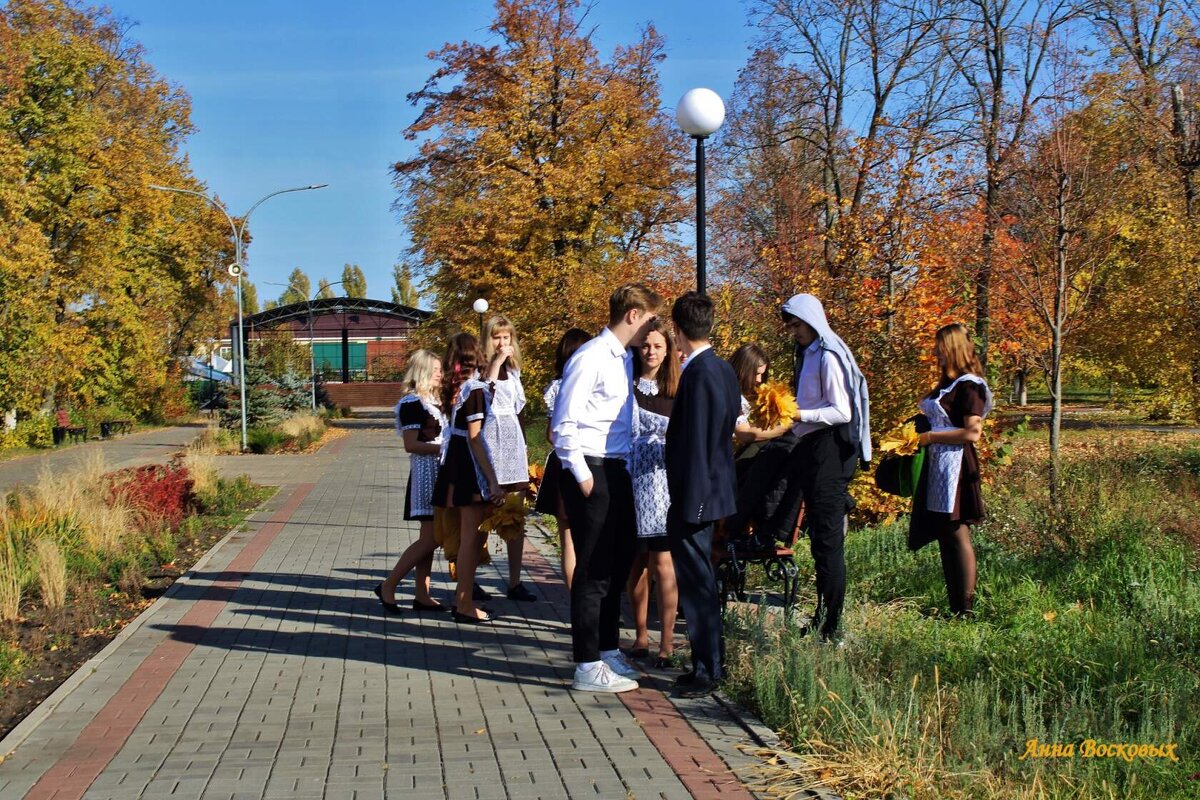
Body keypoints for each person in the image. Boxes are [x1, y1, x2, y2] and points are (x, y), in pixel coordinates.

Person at [552, 283, 662, 693]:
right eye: (650, 318)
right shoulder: (591, 357)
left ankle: (606, 649)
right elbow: (565, 422)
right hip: (592, 469)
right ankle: (586, 664)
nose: (652, 327)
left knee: (618, 562)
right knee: (593, 568)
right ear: (633, 314)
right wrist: (583, 477)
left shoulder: (621, 360)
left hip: (616, 468)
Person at [780, 294, 871, 643]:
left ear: (811, 321)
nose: (793, 331)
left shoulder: (829, 355)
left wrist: (800, 415)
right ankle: (823, 618)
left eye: (797, 324)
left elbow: (842, 411)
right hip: (814, 449)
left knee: (829, 543)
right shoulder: (810, 352)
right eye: (790, 325)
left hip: (830, 450)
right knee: (820, 540)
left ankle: (831, 626)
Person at [664, 292, 742, 698]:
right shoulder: (723, 369)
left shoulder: (700, 373)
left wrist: (689, 502)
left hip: (698, 494)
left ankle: (708, 670)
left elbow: (698, 443)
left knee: (696, 585)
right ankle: (707, 664)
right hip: (710, 491)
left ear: (677, 330)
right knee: (700, 583)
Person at [909, 323, 993, 617]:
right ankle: (954, 605)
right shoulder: (947, 385)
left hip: (956, 465)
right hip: (938, 464)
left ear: (954, 347)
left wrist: (930, 437)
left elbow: (972, 433)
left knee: (958, 533)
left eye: (940, 347)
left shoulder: (970, 386)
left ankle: (965, 610)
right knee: (945, 532)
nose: (936, 353)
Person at [432, 333, 506, 624]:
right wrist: (493, 479)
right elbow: (476, 438)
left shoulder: (457, 388)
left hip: (456, 462)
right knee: (471, 540)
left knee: (469, 539)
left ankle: (463, 600)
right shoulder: (473, 390)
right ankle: (463, 602)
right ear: (475, 356)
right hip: (468, 464)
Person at [374, 349, 450, 614]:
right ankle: (389, 584)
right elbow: (410, 444)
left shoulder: (436, 401)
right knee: (433, 537)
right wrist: (443, 448)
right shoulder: (412, 403)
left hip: (439, 472)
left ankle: (422, 594)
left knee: (429, 538)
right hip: (425, 474)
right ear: (424, 372)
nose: (441, 374)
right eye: (437, 369)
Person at [625, 319, 680, 669]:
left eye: (658, 346)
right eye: (646, 345)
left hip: (664, 485)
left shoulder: (676, 388)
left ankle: (669, 641)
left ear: (668, 350)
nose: (651, 352)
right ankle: (641, 635)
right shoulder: (625, 384)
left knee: (663, 562)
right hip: (631, 482)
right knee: (636, 564)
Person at [480, 315, 536, 602]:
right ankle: (469, 576)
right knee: (483, 513)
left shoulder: (514, 374)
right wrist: (497, 361)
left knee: (515, 517)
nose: (503, 343)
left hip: (512, 446)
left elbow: (519, 412)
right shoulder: (482, 370)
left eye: (507, 338)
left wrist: (524, 450)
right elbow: (484, 393)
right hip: (490, 444)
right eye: (496, 337)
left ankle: (515, 581)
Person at [534, 328, 592, 590]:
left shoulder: (556, 387)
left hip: (562, 464)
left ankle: (575, 602)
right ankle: (593, 601)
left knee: (567, 539)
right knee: (590, 539)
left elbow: (552, 434)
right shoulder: (592, 384)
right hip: (590, 461)